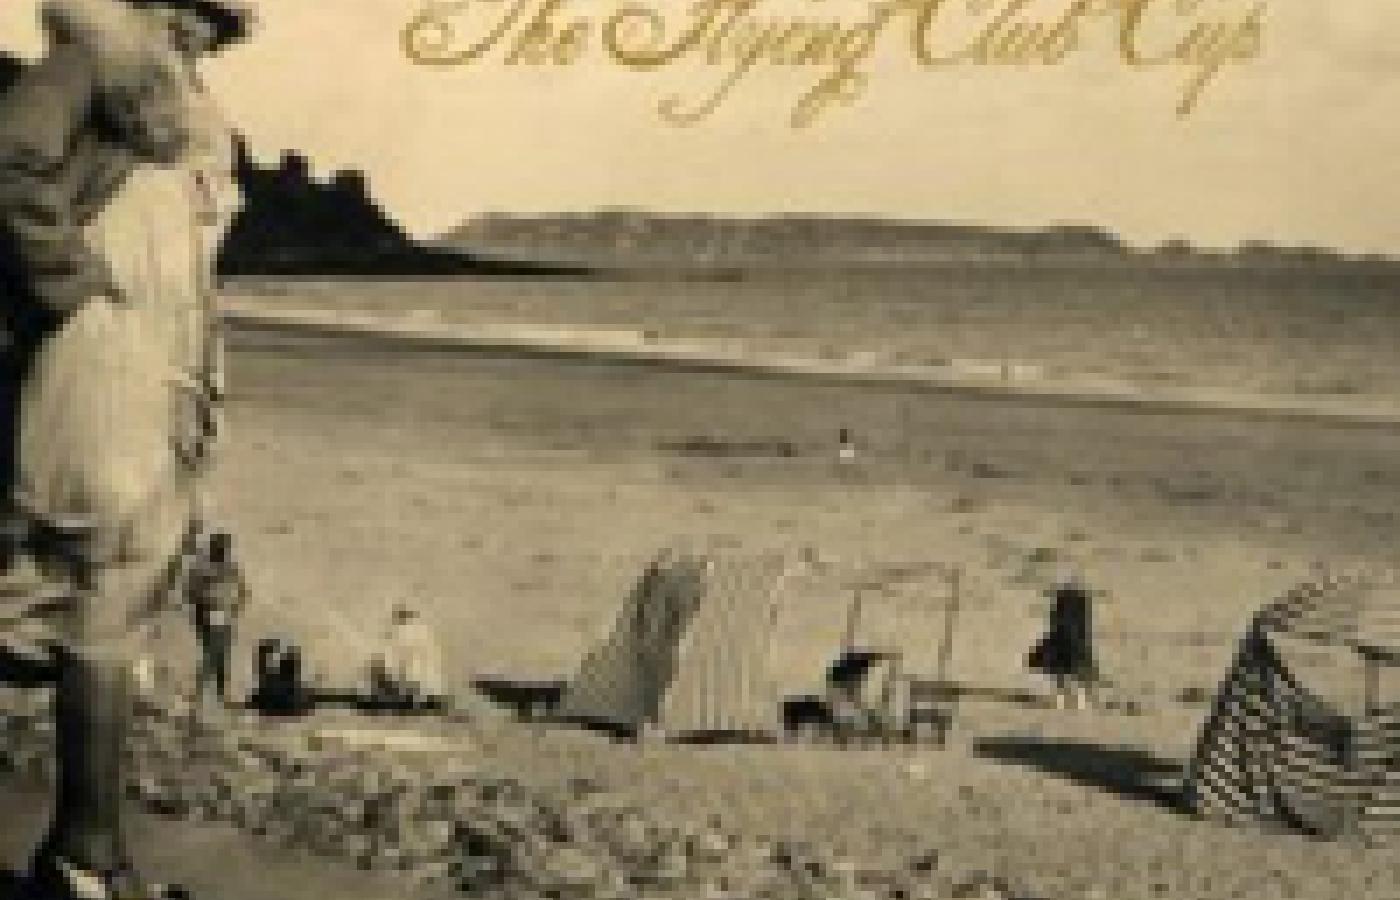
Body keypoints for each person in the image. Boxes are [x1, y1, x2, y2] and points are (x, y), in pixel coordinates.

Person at [0, 1, 254, 897]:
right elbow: (9, 161)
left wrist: (200, 377)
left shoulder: (185, 100)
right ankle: (85, 857)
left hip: (163, 372)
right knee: (84, 578)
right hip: (101, 363)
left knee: (117, 594)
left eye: (218, 18)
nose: (204, 29)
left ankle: (84, 855)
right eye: (190, 8)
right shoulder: (89, 63)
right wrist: (72, 291)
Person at [186, 530, 248, 710]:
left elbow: (242, 589)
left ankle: (218, 694)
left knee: (220, 655)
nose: (222, 551)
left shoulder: (228, 567)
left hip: (222, 614)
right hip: (208, 615)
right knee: (211, 654)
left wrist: (235, 607)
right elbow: (191, 590)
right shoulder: (203, 568)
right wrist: (200, 608)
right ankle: (202, 695)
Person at [1027, 571, 1100, 710]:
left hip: (1066, 659)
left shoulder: (1066, 614)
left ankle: (1066, 688)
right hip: (1071, 659)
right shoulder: (1076, 611)